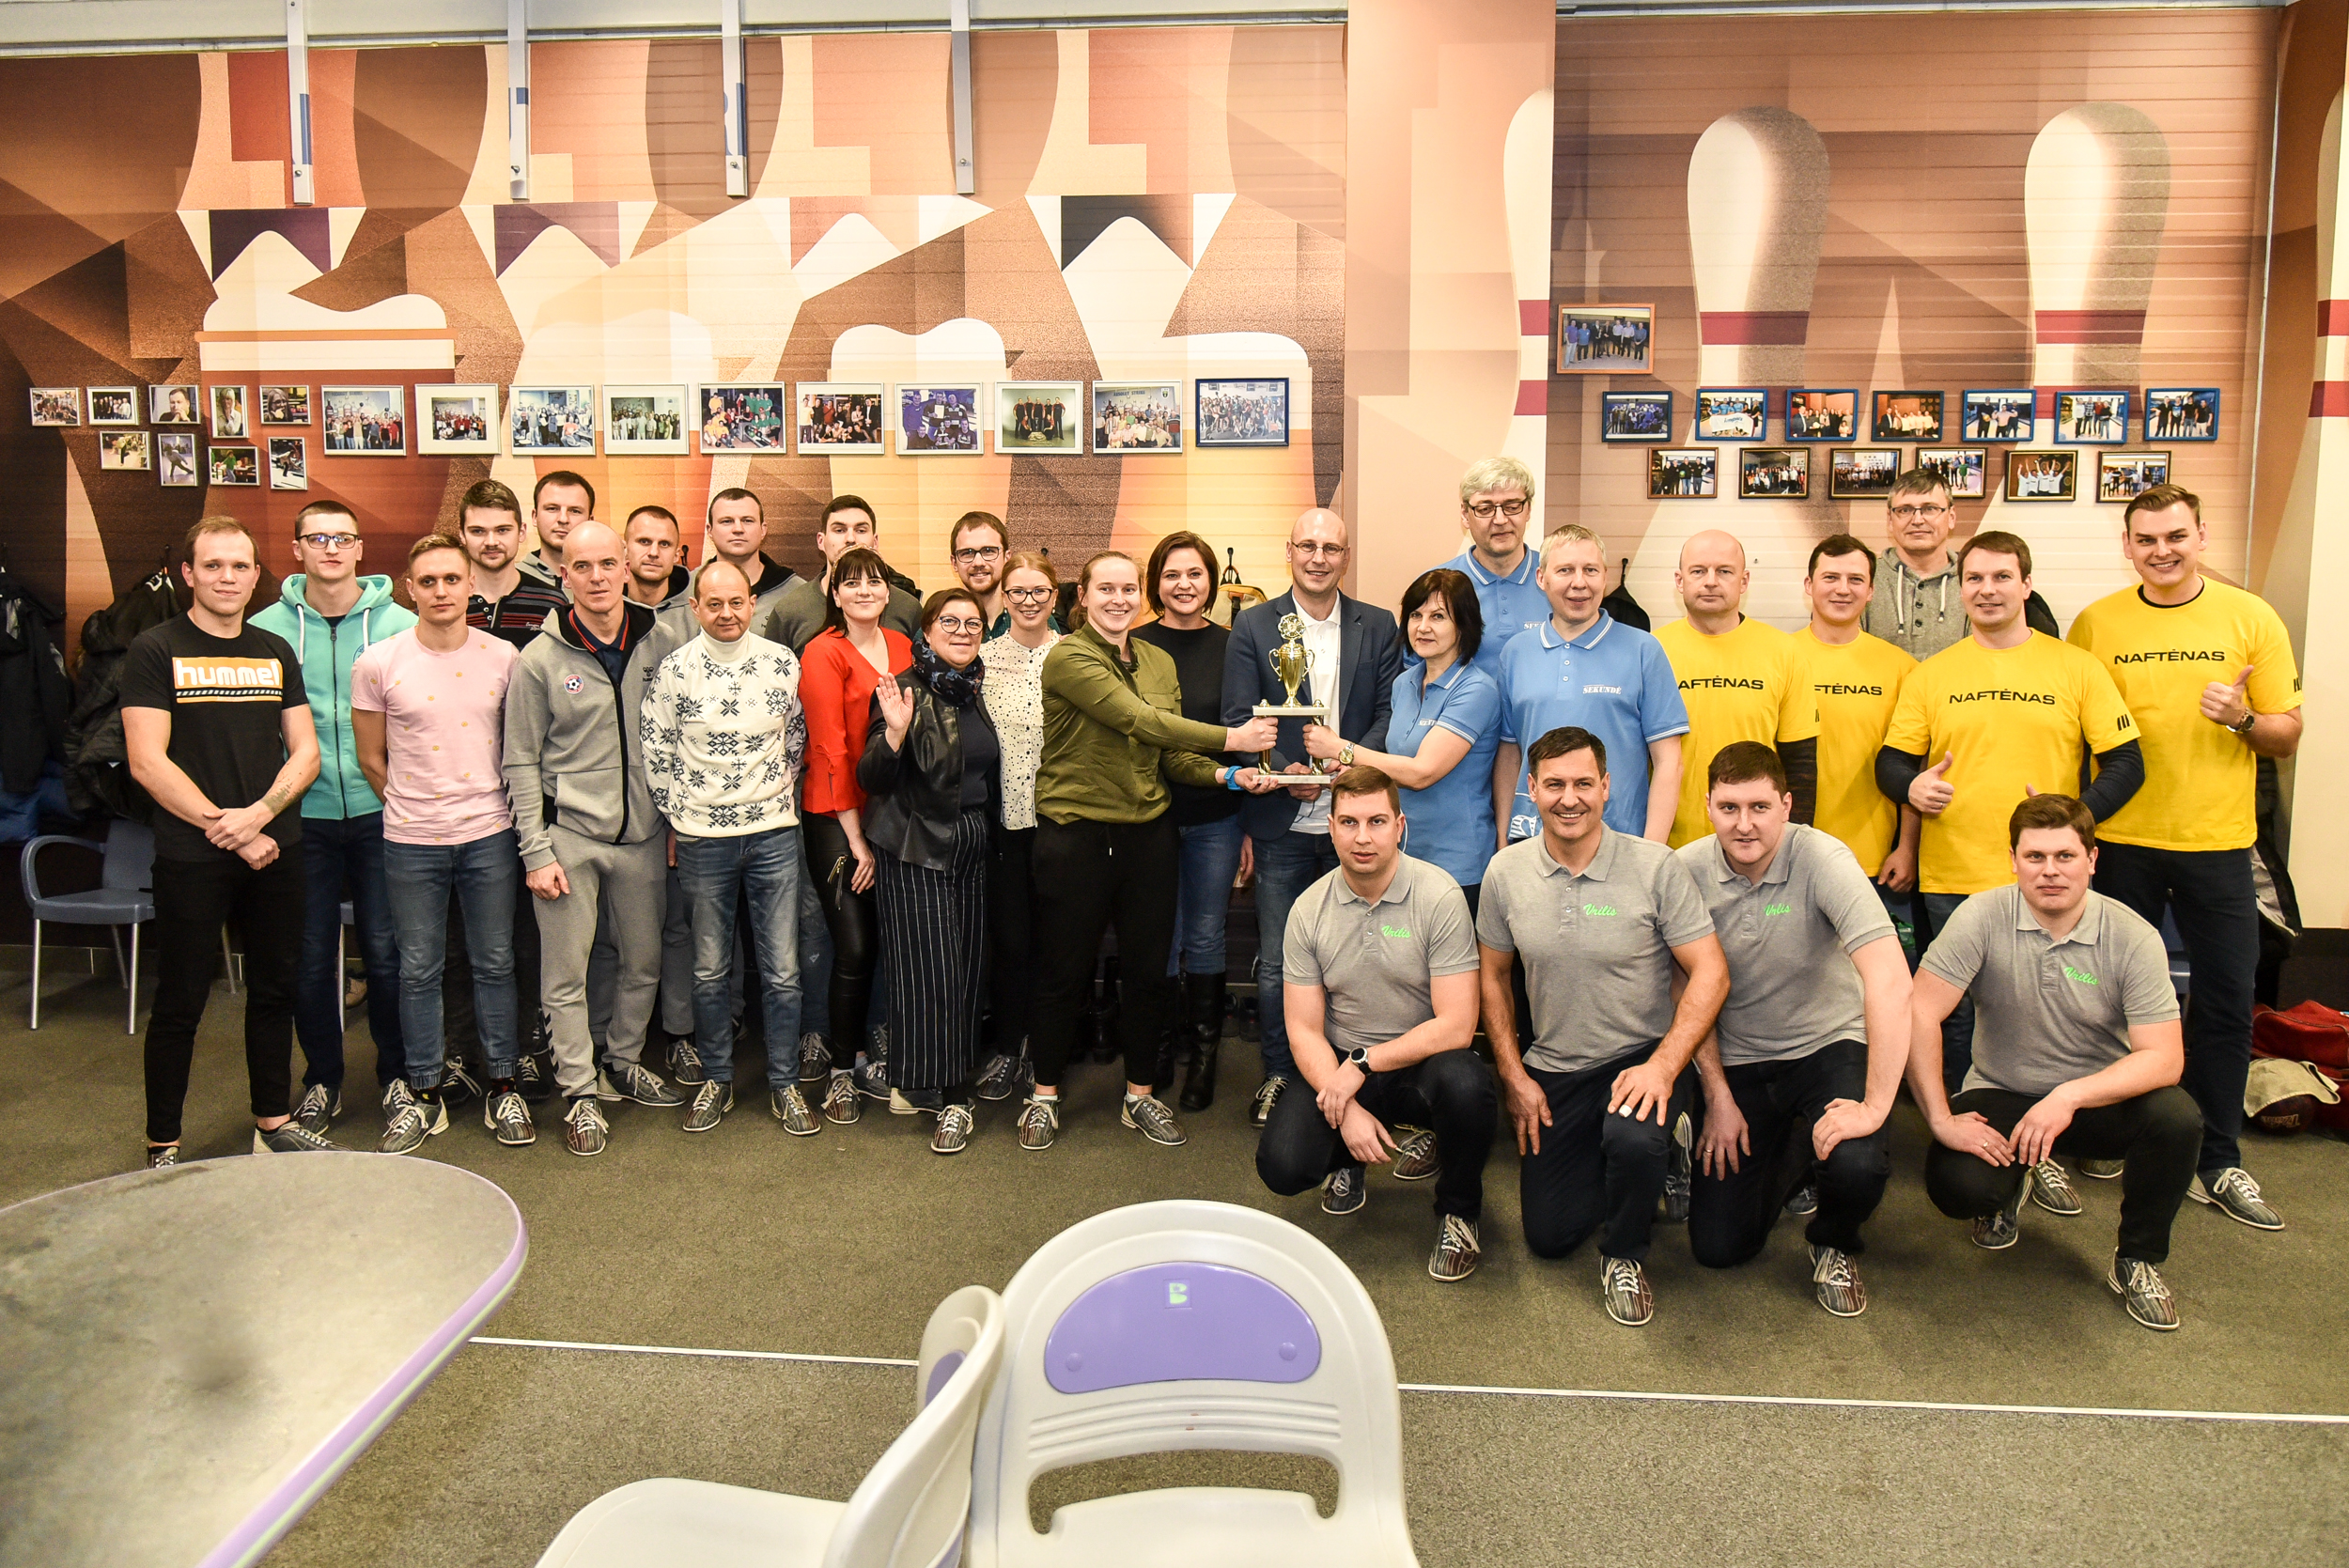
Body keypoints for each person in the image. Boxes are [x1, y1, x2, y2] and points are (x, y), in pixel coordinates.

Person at [2067, 483, 2304, 1230]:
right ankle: (2111, 1131)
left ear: (2201, 536)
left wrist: (2242, 718)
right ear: (2127, 546)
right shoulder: (2096, 622)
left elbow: (2287, 732)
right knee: (2105, 1000)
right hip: (2122, 844)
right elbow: (2076, 730)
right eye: (2146, 539)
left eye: (2176, 536)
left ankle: (2218, 1157)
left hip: (2218, 845)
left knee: (2226, 1002)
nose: (2162, 550)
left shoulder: (2251, 616)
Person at [1878, 531, 2143, 1119]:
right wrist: (1911, 786)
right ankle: (1963, 1126)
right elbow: (1892, 762)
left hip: (2048, 877)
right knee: (1957, 1016)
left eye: (2002, 577)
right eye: (1974, 578)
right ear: (1960, 589)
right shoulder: (1932, 674)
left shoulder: (2077, 667)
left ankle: (2058, 1129)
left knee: (2057, 1010)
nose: (1988, 589)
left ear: (2026, 585)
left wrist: (2073, 824)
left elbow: (2127, 763)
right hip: (1953, 877)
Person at [1911, 795, 2200, 1331]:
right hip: (2003, 1091)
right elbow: (1919, 1013)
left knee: (2177, 1118)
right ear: (2013, 861)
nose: (2050, 871)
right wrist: (1940, 1118)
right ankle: (2009, 1186)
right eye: (2035, 856)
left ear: (2092, 859)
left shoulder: (2132, 936)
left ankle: (2137, 1259)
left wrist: (2068, 1096)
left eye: (2065, 856)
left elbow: (2164, 1059)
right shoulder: (1981, 916)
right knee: (1958, 1189)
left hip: (2093, 1101)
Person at [1026, 551, 1280, 1151]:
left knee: (1148, 973)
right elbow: (1138, 720)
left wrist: (1227, 775)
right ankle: (1044, 1095)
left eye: (1127, 589)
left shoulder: (1158, 660)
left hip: (1147, 835)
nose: (1118, 599)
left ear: (1139, 594)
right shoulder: (1069, 657)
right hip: (1076, 834)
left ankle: (1139, 1095)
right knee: (1064, 971)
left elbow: (1167, 752)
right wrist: (1233, 739)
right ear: (1083, 597)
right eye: (1104, 589)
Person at [1475, 725, 1727, 1327]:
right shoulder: (1505, 872)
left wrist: (1664, 1067)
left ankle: (1625, 1254)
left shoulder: (1655, 866)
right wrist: (1513, 1075)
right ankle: (1645, 1160)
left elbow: (1712, 973)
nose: (1570, 799)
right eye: (1555, 785)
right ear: (1531, 789)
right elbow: (1493, 978)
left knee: (1633, 1139)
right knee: (1551, 1237)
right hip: (1555, 1066)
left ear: (1607, 787)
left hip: (1637, 1056)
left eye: (1584, 784)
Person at [1679, 743, 1912, 1317]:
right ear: (1707, 806)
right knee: (1719, 1248)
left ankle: (1834, 1242)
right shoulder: (1685, 871)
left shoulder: (1823, 858)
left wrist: (1875, 1107)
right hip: (1739, 1058)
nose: (1744, 824)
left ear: (1786, 805)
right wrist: (1716, 1096)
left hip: (1827, 1044)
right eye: (1729, 808)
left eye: (1759, 807)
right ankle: (1794, 1156)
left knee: (1857, 1160)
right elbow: (1683, 994)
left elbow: (1890, 978)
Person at [121, 517, 326, 1164]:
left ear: (255, 574)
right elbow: (147, 762)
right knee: (181, 1000)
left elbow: (306, 752)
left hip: (276, 848)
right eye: (213, 565)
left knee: (274, 990)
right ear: (188, 573)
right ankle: (163, 1141)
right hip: (193, 854)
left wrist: (260, 815)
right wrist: (232, 830)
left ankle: (273, 1120)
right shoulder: (155, 649)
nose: (227, 578)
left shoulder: (274, 650)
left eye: (240, 566)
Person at [1253, 767, 1496, 1282]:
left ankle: (1459, 1210)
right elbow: (1303, 1030)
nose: (1362, 837)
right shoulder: (1308, 909)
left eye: (1377, 822)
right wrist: (1345, 1109)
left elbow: (1458, 1025)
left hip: (1420, 1063)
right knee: (1282, 1166)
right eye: (1349, 823)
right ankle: (1349, 1160)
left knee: (1468, 1086)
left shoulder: (1440, 896)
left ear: (1399, 826)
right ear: (1331, 828)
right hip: (1340, 1063)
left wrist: (1362, 1067)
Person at [505, 520, 690, 1157]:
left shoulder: (663, 641)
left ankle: (624, 1060)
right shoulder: (539, 659)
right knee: (567, 973)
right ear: (565, 576)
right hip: (570, 838)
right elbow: (520, 759)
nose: (598, 576)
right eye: (582, 566)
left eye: (608, 563)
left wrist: (673, 820)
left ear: (625, 567)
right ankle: (581, 1091)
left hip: (644, 835)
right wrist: (536, 850)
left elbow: (681, 737)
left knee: (643, 960)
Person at [1222, 508, 1403, 1129]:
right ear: (1290, 551)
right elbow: (1239, 715)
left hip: (1357, 825)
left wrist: (1345, 764)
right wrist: (1289, 770)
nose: (1319, 557)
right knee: (1280, 962)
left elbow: (1389, 712)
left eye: (1331, 547)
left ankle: (1356, 1076)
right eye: (1308, 545)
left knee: (1361, 960)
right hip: (1284, 826)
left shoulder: (1378, 625)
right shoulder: (1253, 624)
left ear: (1345, 557)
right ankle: (1281, 1072)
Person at [351, 536, 530, 1151]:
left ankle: (503, 1085)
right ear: (409, 588)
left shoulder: (504, 657)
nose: (441, 591)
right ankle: (424, 1093)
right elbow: (371, 757)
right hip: (411, 841)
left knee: (495, 963)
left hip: (489, 835)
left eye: (452, 579)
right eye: (427, 581)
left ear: (469, 586)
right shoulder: (378, 661)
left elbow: (519, 747)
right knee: (419, 969)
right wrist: (415, 808)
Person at [247, 500, 415, 1139]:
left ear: (360, 548)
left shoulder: (401, 624)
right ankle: (322, 1079)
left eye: (342, 538)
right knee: (312, 957)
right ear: (296, 549)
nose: (331, 549)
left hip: (382, 809)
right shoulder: (264, 628)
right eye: (317, 538)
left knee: (388, 952)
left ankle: (397, 1074)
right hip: (302, 815)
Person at [641, 557, 816, 1137]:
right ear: (695, 608)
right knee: (710, 970)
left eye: (736, 602)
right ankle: (717, 1079)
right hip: (702, 840)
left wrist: (770, 796)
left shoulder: (781, 663)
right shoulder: (675, 670)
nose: (726, 613)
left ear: (752, 604)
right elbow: (657, 748)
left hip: (773, 834)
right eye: (713, 604)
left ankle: (785, 1084)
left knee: (783, 970)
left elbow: (796, 738)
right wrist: (681, 814)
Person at [859, 589, 1001, 1154]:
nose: (963, 632)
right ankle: (953, 1099)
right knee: (931, 973)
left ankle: (923, 1083)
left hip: (970, 839)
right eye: (950, 622)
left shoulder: (974, 686)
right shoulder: (902, 689)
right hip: (916, 843)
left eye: (973, 623)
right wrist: (894, 734)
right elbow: (871, 777)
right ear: (927, 629)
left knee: (965, 968)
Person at [797, 547, 914, 1122]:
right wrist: (857, 841)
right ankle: (843, 1070)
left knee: (890, 944)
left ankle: (876, 1051)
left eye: (874, 581)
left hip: (892, 815)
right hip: (836, 817)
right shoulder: (822, 651)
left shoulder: (903, 646)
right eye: (852, 583)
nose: (864, 591)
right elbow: (829, 750)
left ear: (888, 591)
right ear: (835, 593)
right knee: (855, 946)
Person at [1304, 568, 1501, 907]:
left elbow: (1421, 772)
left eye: (1438, 617)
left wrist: (1341, 749)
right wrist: (1353, 771)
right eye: (1415, 615)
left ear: (1464, 625)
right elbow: (1396, 762)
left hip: (1457, 859)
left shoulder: (1477, 689)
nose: (1422, 627)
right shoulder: (1404, 683)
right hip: (1402, 854)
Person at [1134, 531, 1247, 1111]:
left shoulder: (1235, 645)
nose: (1184, 585)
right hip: (1147, 816)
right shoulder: (1132, 644)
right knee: (1159, 935)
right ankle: (1156, 1053)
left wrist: (1247, 824)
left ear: (1212, 581)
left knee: (1204, 934)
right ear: (1155, 583)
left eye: (1195, 574)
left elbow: (1247, 736)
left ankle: (1203, 1059)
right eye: (1172, 574)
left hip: (1216, 816)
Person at [1493, 524, 1688, 845]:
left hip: (1621, 842)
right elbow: (1509, 753)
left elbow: (1669, 762)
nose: (1579, 582)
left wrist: (1651, 851)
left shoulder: (1643, 650)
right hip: (1533, 843)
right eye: (1565, 570)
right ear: (1541, 578)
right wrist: (1503, 839)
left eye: (1590, 570)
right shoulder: (1515, 652)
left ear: (1605, 577)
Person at [1654, 530, 1818, 847]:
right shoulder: (1651, 650)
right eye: (1698, 571)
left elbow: (1800, 765)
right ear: (1679, 580)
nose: (1710, 581)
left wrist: (1791, 846)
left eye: (1724, 571)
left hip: (1755, 843)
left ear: (1744, 581)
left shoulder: (1783, 651)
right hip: (1671, 844)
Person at [1796, 535, 1920, 931]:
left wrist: (1907, 848)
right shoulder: (1777, 657)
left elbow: (1912, 766)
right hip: (1788, 853)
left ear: (1871, 591)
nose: (1842, 589)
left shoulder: (1902, 668)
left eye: (1855, 579)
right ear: (1809, 585)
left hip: (1874, 859)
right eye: (1830, 577)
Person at [975, 551, 1061, 1102]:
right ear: (1004, 599)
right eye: (1018, 592)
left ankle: (1046, 1051)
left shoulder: (1074, 656)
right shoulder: (981, 660)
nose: (1029, 601)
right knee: (1010, 940)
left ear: (1055, 597)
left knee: (1056, 943)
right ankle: (1009, 1048)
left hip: (1061, 821)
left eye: (1039, 591)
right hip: (1003, 822)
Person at [1437, 457, 1550, 682]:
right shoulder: (1436, 586)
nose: (1500, 520)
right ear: (1465, 515)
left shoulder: (1559, 580)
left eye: (1512, 507)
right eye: (1485, 508)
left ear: (1528, 510)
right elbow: (1416, 675)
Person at [761, 495, 920, 653]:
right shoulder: (789, 611)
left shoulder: (907, 608)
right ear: (821, 541)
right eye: (839, 530)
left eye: (861, 530)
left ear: (875, 541)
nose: (850, 539)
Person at [459, 479, 570, 651]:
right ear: (462, 535)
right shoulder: (447, 602)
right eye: (478, 531)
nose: (491, 542)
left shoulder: (553, 603)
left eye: (502, 530)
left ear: (521, 532)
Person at [702, 488, 801, 629]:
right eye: (727, 521)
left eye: (747, 521)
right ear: (709, 530)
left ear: (763, 530)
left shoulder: (797, 593)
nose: (738, 529)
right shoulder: (688, 589)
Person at [519, 470, 595, 588]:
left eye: (575, 511)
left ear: (590, 521)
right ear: (534, 517)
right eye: (552, 509)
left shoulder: (603, 582)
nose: (563, 519)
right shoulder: (513, 580)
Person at [949, 511, 1010, 633]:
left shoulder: (1036, 621)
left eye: (988, 551)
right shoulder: (936, 627)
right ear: (954, 563)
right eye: (967, 553)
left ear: (1006, 558)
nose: (978, 563)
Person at [623, 504, 691, 614]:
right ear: (625, 549)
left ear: (676, 556)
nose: (654, 553)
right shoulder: (604, 609)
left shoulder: (699, 612)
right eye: (644, 542)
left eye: (664, 544)